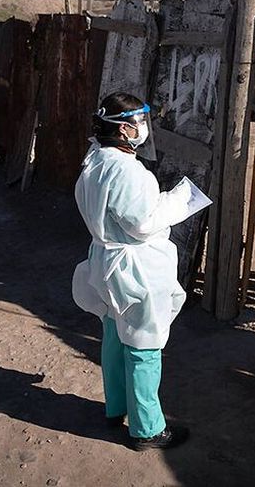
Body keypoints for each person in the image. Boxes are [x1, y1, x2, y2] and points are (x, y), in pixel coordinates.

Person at [72, 92, 194, 451]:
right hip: (135, 268)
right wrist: (176, 203)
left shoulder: (95, 158)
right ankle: (148, 429)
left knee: (114, 332)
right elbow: (142, 221)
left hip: (107, 262)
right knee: (144, 343)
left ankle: (116, 407)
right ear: (124, 129)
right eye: (140, 122)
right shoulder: (127, 170)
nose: (144, 128)